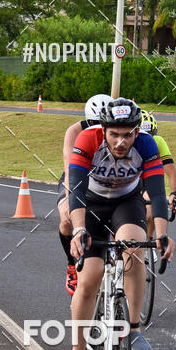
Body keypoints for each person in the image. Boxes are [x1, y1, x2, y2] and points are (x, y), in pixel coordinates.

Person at [61, 98, 175, 350]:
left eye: (127, 135)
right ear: (104, 130)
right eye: (114, 134)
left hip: (126, 202)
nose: (121, 142)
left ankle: (133, 329)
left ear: (137, 131)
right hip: (91, 204)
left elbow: (157, 193)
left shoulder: (147, 144)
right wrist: (80, 230)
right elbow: (76, 189)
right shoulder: (88, 139)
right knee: (89, 277)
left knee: (135, 248)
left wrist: (162, 234)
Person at [57, 94, 113, 296]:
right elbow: (70, 167)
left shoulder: (117, 131)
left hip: (106, 177)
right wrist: (70, 200)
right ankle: (72, 265)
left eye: (102, 123)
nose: (98, 128)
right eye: (93, 123)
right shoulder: (74, 131)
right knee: (66, 219)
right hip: (77, 174)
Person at [139, 109, 176, 238]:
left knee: (150, 204)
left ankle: (149, 240)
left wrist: (174, 193)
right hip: (125, 179)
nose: (146, 141)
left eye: (150, 137)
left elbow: (171, 171)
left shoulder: (158, 141)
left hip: (147, 179)